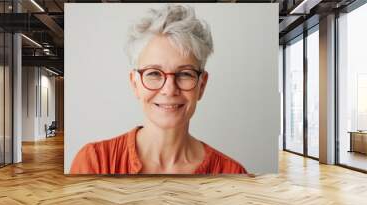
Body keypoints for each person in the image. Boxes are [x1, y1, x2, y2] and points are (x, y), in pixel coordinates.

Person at [70, 4, 247, 174]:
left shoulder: (233, 173)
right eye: (154, 73)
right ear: (135, 84)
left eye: (185, 74)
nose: (169, 90)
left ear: (202, 85)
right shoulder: (94, 162)